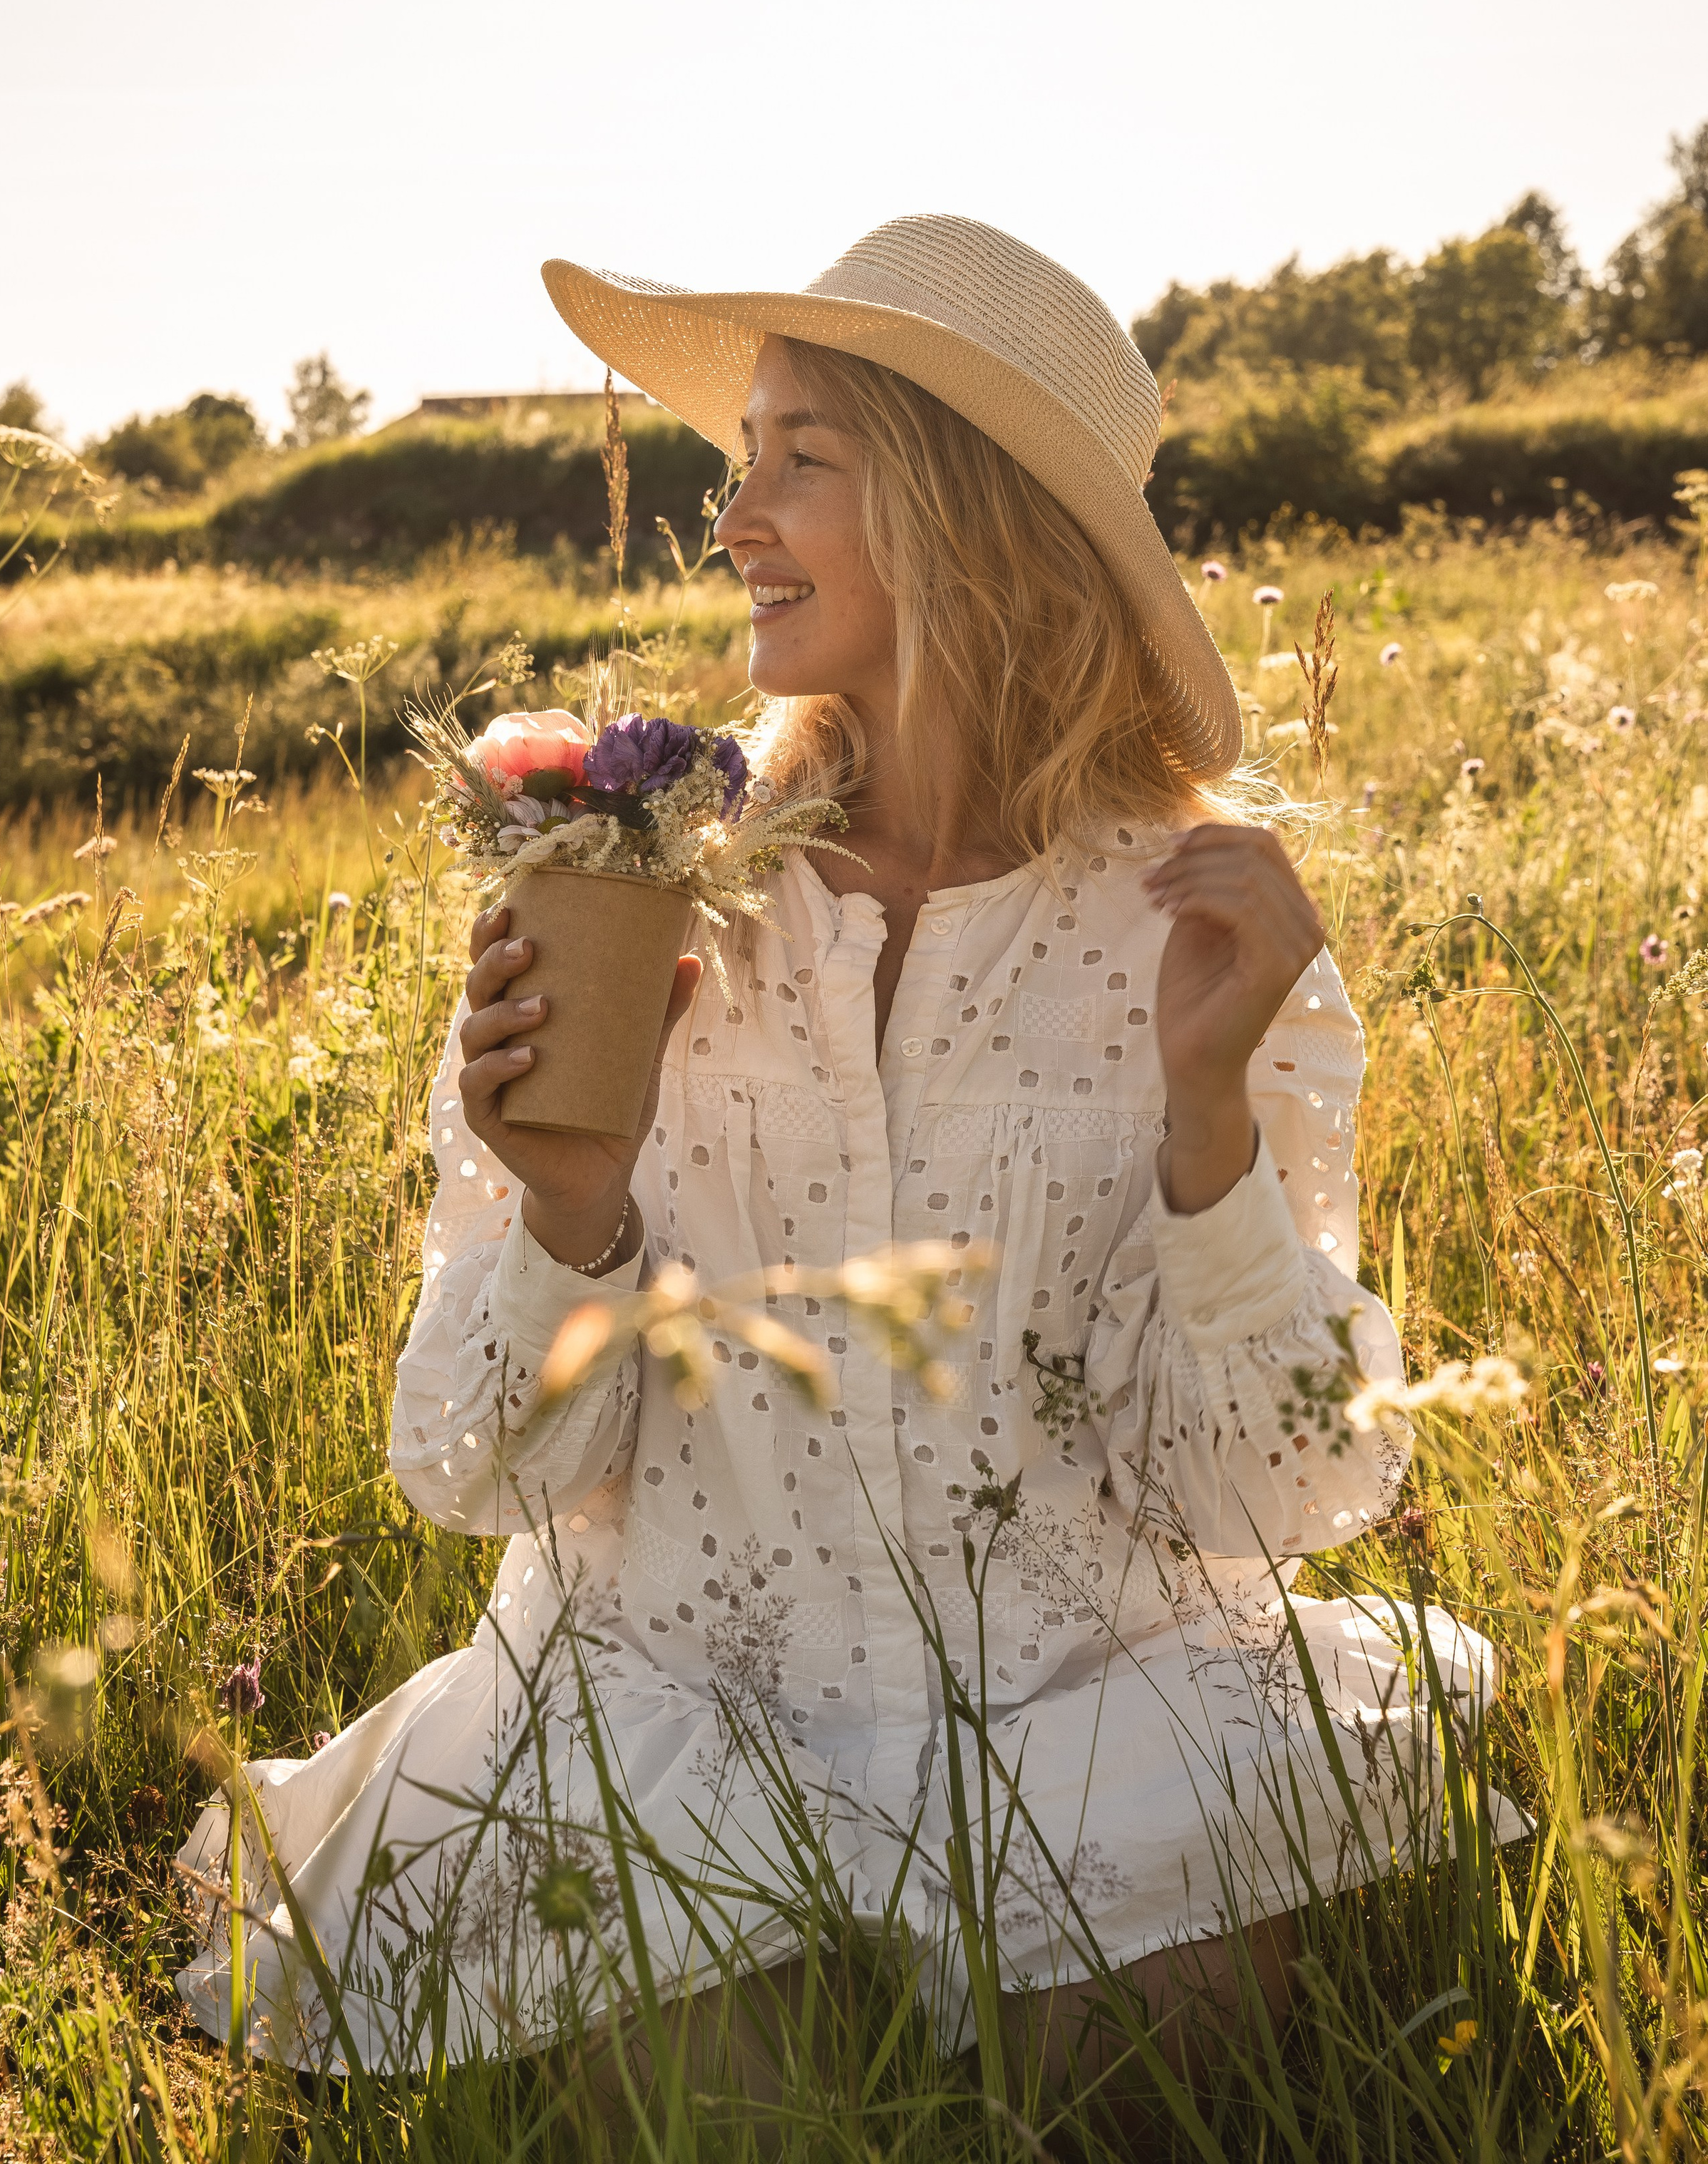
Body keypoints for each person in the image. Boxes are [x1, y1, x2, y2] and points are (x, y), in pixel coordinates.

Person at [178, 215, 1490, 2092]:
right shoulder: (635, 885)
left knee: (1137, 2072)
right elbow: (475, 1474)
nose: (736, 517)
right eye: (738, 461)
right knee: (740, 2093)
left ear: (970, 518)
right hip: (676, 1726)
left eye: (803, 458)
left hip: (1081, 1716)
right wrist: (570, 1195)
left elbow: (1263, 1509)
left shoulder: (1196, 929)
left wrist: (1211, 1133)